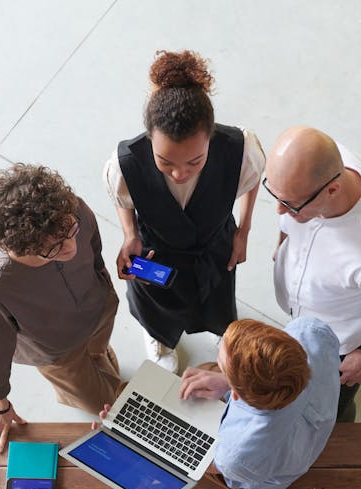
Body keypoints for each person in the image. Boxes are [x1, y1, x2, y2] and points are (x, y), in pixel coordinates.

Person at [103, 50, 265, 373]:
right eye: (165, 162)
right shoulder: (124, 165)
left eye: (195, 161)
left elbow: (251, 182)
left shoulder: (239, 148)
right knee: (155, 307)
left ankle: (223, 335)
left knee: (218, 299)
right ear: (150, 139)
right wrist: (130, 234)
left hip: (213, 244)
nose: (180, 174)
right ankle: (159, 337)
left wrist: (243, 231)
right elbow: (124, 200)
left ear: (210, 136)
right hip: (156, 251)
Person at [264, 126, 361, 422]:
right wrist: (283, 241)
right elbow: (288, 212)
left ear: (331, 190)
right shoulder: (316, 169)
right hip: (306, 314)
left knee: (326, 409)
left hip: (339, 343)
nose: (279, 211)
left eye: (289, 204)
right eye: (275, 195)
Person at [0, 164, 121, 454]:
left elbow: (92, 243)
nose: (70, 248)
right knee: (101, 403)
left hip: (98, 306)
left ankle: (99, 356)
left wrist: (101, 274)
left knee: (99, 351)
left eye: (70, 231)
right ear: (21, 248)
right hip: (60, 352)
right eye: (53, 248)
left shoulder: (70, 211)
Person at [177, 317, 341, 489]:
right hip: (312, 434)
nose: (221, 342)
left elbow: (214, 464)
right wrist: (228, 380)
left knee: (204, 369)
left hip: (262, 478)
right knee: (205, 374)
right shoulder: (310, 330)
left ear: (236, 394)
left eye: (224, 367)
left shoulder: (235, 457)